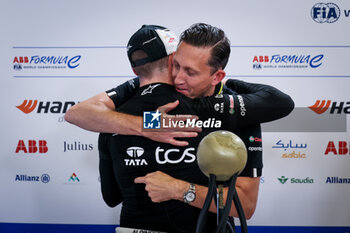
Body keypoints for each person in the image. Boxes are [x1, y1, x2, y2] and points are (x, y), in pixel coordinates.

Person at [65, 24, 294, 232]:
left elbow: (244, 204)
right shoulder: (127, 100)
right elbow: (76, 113)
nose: (177, 77)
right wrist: (147, 125)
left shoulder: (236, 111)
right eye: (175, 65)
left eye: (190, 72)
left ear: (217, 76)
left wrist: (178, 189)